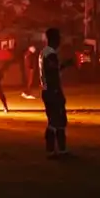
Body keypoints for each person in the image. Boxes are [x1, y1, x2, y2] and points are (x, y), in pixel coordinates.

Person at [40, 28, 69, 158]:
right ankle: (57, 150)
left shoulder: (44, 53)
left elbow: (53, 69)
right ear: (55, 39)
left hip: (47, 90)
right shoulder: (50, 53)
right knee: (58, 120)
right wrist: (57, 90)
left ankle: (53, 150)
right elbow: (52, 72)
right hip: (53, 90)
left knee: (54, 120)